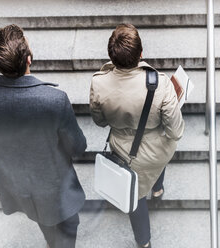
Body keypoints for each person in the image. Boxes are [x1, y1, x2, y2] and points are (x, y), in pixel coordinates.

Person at [0, 24, 87, 248]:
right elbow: (77, 147)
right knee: (67, 228)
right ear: (29, 60)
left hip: (15, 187)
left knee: (43, 221)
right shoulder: (54, 100)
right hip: (55, 191)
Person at [90, 23, 185, 248]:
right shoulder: (159, 83)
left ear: (112, 57)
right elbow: (175, 131)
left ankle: (144, 242)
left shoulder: (99, 82)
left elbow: (99, 121)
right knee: (159, 154)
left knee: (136, 198)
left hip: (123, 151)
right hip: (156, 151)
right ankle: (158, 189)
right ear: (141, 54)